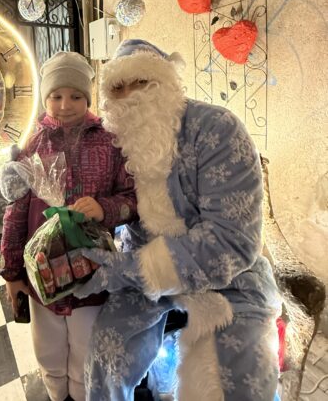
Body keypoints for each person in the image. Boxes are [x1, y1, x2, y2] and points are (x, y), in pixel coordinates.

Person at [73, 39, 282, 401]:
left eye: (141, 82)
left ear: (166, 81)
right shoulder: (118, 143)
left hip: (230, 279)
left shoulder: (217, 129)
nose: (130, 96)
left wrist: (129, 270)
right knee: (106, 357)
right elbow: (120, 208)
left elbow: (233, 243)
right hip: (141, 273)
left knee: (234, 382)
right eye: (117, 88)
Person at [0, 51, 137, 401]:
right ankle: (55, 392)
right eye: (56, 96)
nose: (65, 105)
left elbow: (133, 199)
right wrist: (11, 271)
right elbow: (15, 212)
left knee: (87, 349)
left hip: (93, 271)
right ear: (45, 97)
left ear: (88, 97)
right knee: (47, 349)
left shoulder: (110, 142)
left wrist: (104, 208)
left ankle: (81, 392)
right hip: (42, 272)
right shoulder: (33, 145)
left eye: (76, 96)